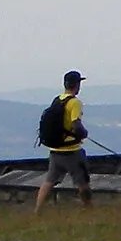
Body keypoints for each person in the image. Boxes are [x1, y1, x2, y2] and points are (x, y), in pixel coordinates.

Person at [35, 70, 91, 213]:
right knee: (82, 181)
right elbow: (75, 124)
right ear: (77, 85)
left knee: (49, 181)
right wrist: (84, 134)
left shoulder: (57, 100)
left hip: (55, 149)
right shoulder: (75, 103)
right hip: (72, 150)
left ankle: (38, 211)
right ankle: (89, 208)